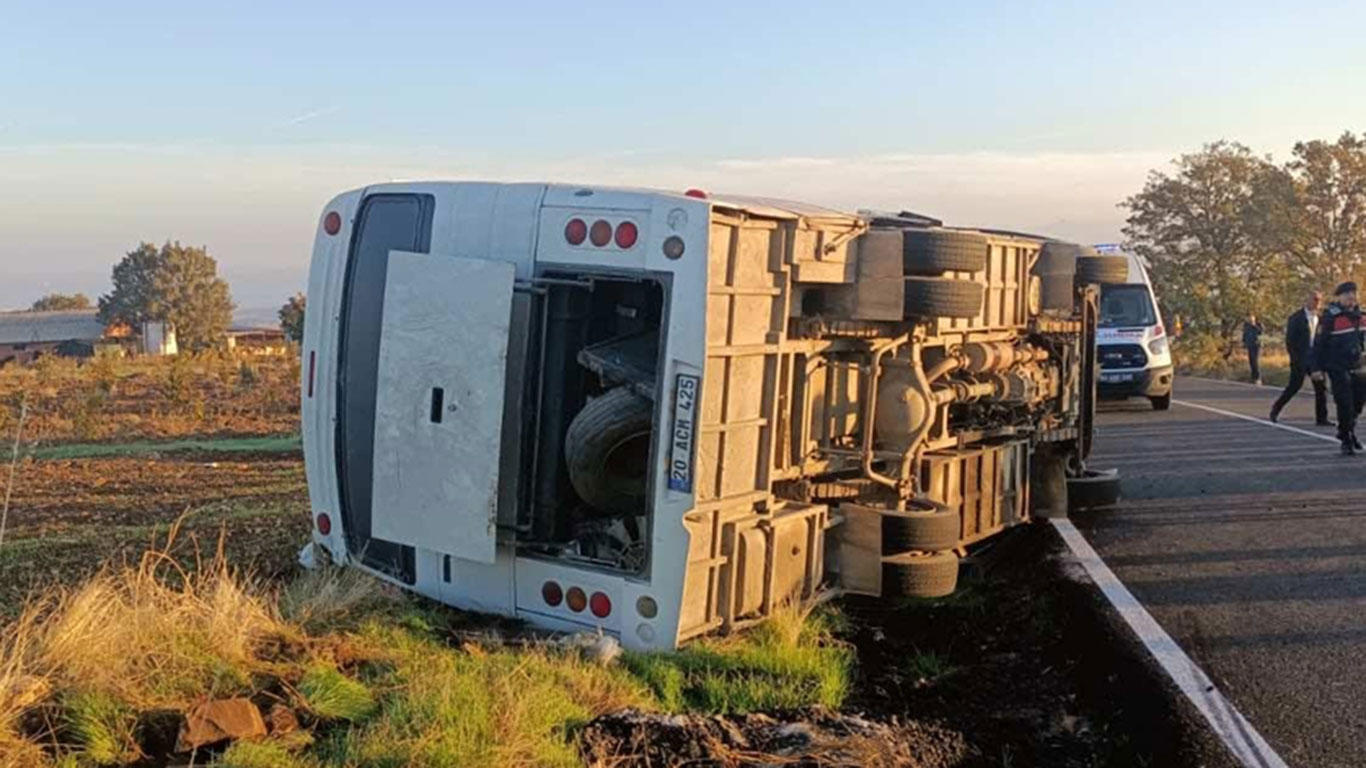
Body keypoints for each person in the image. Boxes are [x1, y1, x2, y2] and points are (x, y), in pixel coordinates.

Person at [1312, 281, 1366, 455]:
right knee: (1345, 404)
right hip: (1338, 367)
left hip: (1359, 368)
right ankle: (1347, 440)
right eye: (1347, 294)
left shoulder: (1361, 317)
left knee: (1358, 404)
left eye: (1353, 293)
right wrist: (1316, 368)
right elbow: (1318, 346)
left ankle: (1346, 430)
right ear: (1339, 297)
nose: (1351, 297)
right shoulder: (1330, 318)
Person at [1270, 290, 1331, 426]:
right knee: (1294, 386)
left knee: (1321, 388)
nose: (1317, 303)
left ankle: (1322, 418)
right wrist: (1296, 359)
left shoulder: (1322, 318)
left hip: (1316, 360)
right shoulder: (1296, 318)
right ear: (1307, 300)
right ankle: (1276, 409)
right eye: (1315, 299)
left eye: (1319, 300)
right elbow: (1290, 342)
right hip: (1301, 358)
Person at [1243, 314, 1264, 384]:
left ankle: (1258, 377)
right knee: (1251, 361)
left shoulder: (1258, 325)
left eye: (1252, 319)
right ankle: (1253, 377)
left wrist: (1254, 325)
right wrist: (1244, 342)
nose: (1250, 320)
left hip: (1256, 345)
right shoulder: (1246, 326)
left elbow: (1261, 332)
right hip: (1250, 345)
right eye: (1249, 319)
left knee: (1255, 361)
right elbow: (1244, 334)